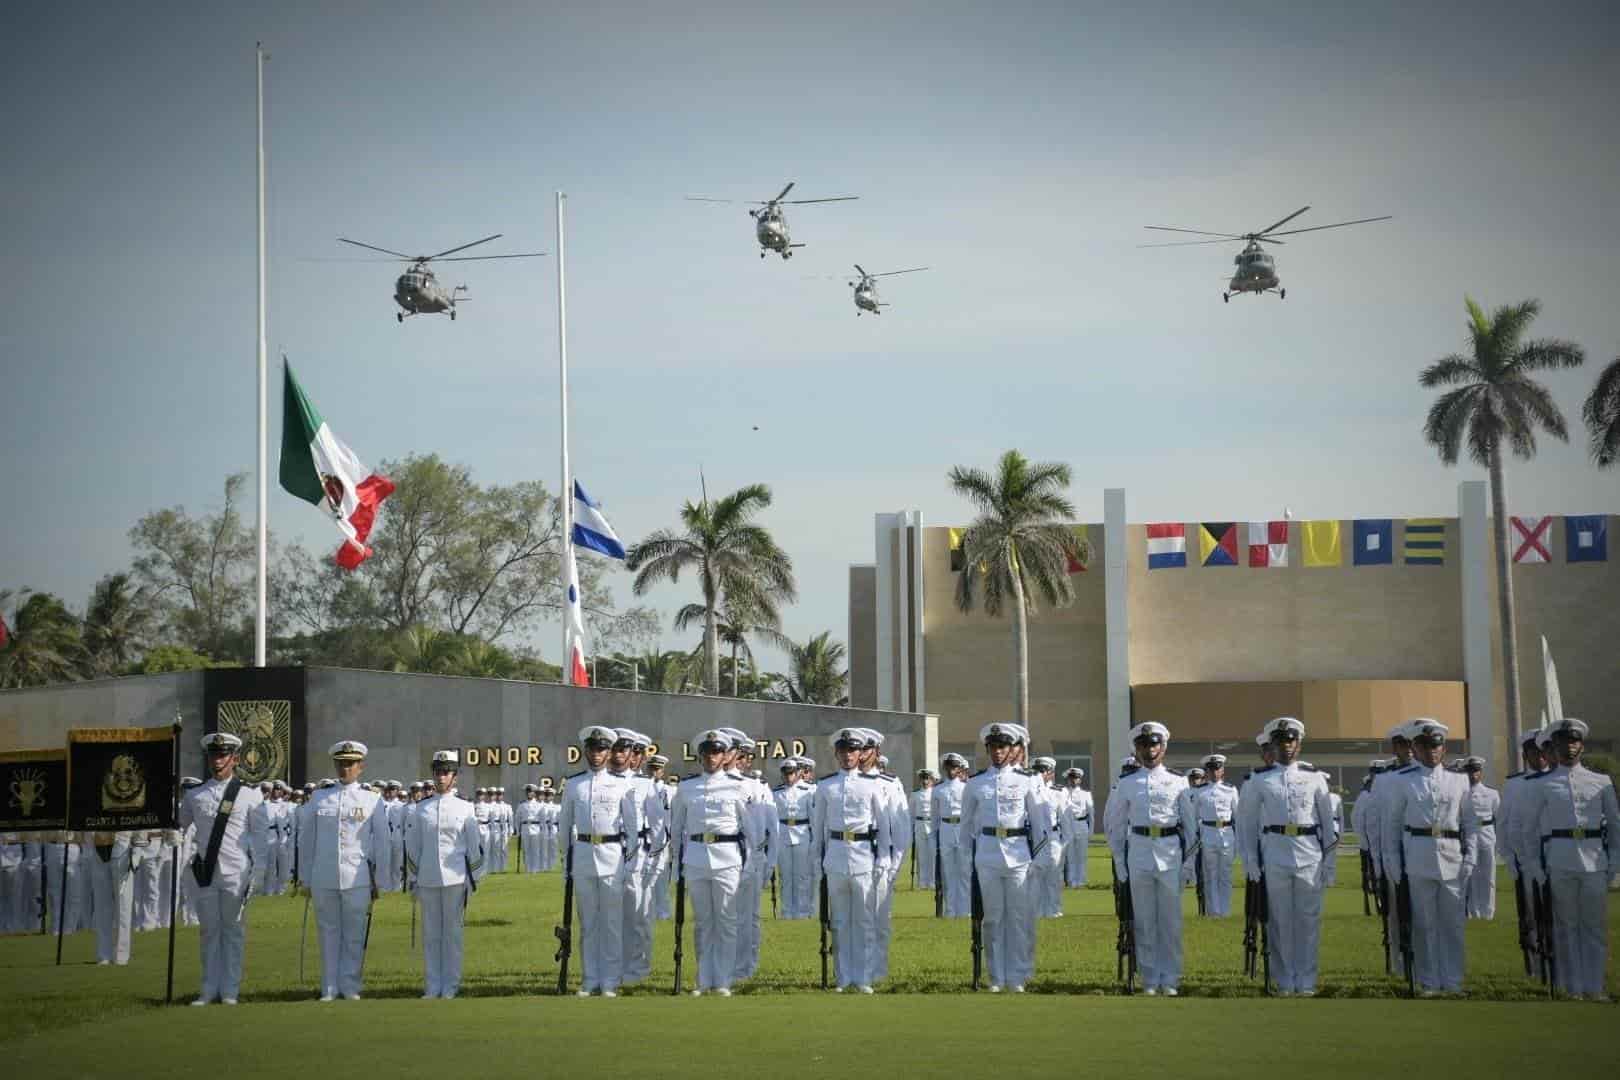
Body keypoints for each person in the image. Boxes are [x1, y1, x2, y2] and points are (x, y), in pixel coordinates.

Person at [1520, 717, 1619, 1001]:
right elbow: (1529, 829)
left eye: (1574, 741)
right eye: (1564, 742)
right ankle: (1572, 986)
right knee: (1566, 927)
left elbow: (1614, 824)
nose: (1569, 746)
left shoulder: (1601, 782)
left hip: (1594, 861)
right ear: (1554, 746)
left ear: (1582, 745)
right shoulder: (1544, 784)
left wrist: (1614, 862)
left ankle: (1595, 987)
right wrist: (1534, 866)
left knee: (1594, 927)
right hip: (1560, 860)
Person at [1237, 717, 1335, 995]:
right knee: (1279, 921)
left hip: (1309, 854)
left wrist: (1330, 862)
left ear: (1299, 743)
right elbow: (1246, 825)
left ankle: (1305, 980)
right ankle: (1284, 980)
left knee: (1308, 921)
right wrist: (1250, 861)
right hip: (1275, 852)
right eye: (1281, 742)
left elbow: (1328, 825)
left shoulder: (1315, 778)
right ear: (1273, 745)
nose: (1287, 747)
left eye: (1291, 741)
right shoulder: (1259, 780)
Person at [1380, 718, 1477, 996]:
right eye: (1424, 746)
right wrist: (1393, 862)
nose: (1431, 751)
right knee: (1424, 924)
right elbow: (1392, 825)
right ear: (1414, 747)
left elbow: (1469, 823)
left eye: (1436, 746)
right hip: (1418, 857)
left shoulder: (1459, 780)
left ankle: (1454, 981)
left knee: (1453, 925)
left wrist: (1470, 856)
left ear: (1443, 748)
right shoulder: (1402, 781)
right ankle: (1429, 981)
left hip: (1452, 857)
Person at [1107, 721, 1197, 996]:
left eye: (1154, 745)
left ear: (1164, 747)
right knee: (1144, 921)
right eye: (1143, 746)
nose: (1149, 750)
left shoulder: (1178, 781)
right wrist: (1120, 864)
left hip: (1170, 852)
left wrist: (1188, 864)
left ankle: (1169, 978)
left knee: (1170, 921)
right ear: (1136, 749)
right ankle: (1149, 978)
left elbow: (1192, 827)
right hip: (1139, 852)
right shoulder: (1127, 783)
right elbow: (1116, 826)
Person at [177, 732, 266, 1006]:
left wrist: (259, 870)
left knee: (233, 931)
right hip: (205, 872)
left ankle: (229, 990)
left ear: (235, 758)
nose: (218, 760)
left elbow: (261, 837)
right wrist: (172, 834)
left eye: (223, 755)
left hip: (235, 872)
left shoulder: (249, 795)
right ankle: (208, 988)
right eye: (214, 755)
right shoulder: (195, 794)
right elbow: (180, 826)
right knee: (208, 931)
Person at [959, 722, 1048, 993]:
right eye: (993, 747)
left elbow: (1040, 822)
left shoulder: (1028, 780)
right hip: (987, 854)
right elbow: (965, 827)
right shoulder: (975, 783)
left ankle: (1018, 975)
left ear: (1013, 749)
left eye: (1003, 747)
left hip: (1019, 853)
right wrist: (966, 861)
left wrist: (1041, 860)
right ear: (987, 749)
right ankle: (996, 976)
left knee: (1019, 918)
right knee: (993, 918)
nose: (998, 752)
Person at [296, 739, 387, 1002]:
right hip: (324, 876)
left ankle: (349, 986)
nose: (345, 769)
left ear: (361, 767)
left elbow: (382, 842)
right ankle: (329, 987)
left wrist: (380, 879)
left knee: (354, 934)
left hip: (357, 877)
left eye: (351, 764)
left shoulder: (372, 800)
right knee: (328, 933)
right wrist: (304, 877)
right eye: (341, 764)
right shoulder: (319, 797)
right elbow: (307, 839)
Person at [670, 730, 759, 996]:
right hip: (696, 857)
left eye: (717, 752)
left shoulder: (738, 786)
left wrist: (751, 863)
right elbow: (676, 830)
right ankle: (703, 978)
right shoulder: (686, 788)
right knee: (702, 922)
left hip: (727, 857)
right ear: (701, 756)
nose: (712, 757)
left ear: (725, 756)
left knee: (726, 920)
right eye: (708, 752)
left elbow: (750, 829)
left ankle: (722, 980)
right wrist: (676, 864)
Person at [558, 724, 642, 997]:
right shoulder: (573, 785)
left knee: (611, 923)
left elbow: (631, 828)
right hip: (582, 855)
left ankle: (610, 981)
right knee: (588, 923)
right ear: (586, 751)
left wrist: (628, 863)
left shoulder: (621, 785)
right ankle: (590, 978)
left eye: (603, 749)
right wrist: (566, 865)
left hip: (612, 856)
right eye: (594, 748)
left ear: (609, 753)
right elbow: (564, 828)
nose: (598, 753)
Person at [812, 728, 891, 993]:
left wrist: (883, 858)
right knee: (840, 921)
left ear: (860, 754)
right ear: (836, 753)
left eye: (853, 751)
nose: (848, 755)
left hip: (863, 855)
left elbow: (883, 825)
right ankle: (843, 976)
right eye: (843, 751)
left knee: (865, 920)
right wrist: (816, 859)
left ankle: (864, 976)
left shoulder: (872, 784)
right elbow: (818, 827)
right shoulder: (825, 786)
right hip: (835, 856)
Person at [404, 749, 484, 999]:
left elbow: (475, 847)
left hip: (456, 878)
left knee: (452, 934)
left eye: (446, 772)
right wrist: (413, 879)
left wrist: (474, 878)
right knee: (431, 934)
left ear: (455, 777)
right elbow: (413, 848)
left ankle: (450, 985)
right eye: (438, 772)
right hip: (427, 878)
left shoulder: (465, 808)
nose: (441, 777)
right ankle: (432, 985)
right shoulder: (421, 809)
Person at [860, 734, 907, 982]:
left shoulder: (889, 783)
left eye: (866, 748)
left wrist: (894, 863)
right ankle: (857, 971)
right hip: (855, 856)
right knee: (854, 919)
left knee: (878, 918)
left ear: (876, 752)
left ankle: (877, 970)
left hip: (881, 858)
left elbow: (900, 828)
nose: (861, 753)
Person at [1191, 754, 1238, 916]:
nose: (1214, 772)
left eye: (1217, 769)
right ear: (1206, 772)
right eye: (1210, 770)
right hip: (1208, 833)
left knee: (1225, 874)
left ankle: (1225, 911)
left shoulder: (1231, 789)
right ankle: (1213, 911)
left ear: (1222, 770)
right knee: (1210, 875)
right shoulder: (1200, 791)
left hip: (1227, 834)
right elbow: (1194, 816)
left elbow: (1237, 815)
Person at [84, 829, 136, 964]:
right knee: (101, 905)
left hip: (122, 842)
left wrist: (139, 847)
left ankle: (121, 954)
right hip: (97, 845)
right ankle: (103, 954)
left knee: (123, 904)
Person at [774, 758, 815, 920]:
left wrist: (814, 839)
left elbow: (813, 818)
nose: (788, 776)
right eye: (785, 773)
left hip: (802, 834)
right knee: (785, 876)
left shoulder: (808, 791)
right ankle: (787, 912)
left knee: (802, 876)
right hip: (783, 835)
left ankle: (802, 912)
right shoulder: (776, 793)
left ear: (798, 773)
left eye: (791, 773)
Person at [933, 753, 971, 917]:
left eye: (954, 767)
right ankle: (950, 910)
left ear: (960, 769)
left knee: (964, 871)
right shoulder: (938, 789)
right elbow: (935, 816)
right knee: (948, 872)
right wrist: (935, 835)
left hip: (962, 827)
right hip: (946, 828)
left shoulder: (966, 787)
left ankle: (964, 910)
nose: (951, 770)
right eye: (948, 767)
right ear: (944, 768)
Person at [1462, 757, 1500, 919]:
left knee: (1488, 874)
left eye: (1476, 771)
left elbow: (1499, 816)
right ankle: (1472, 909)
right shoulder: (1461, 794)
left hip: (1487, 834)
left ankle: (1488, 911)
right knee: (1469, 875)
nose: (1473, 775)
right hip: (1469, 834)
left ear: (1481, 772)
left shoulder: (1491, 793)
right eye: (1470, 771)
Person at [1029, 757, 1064, 917]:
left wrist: (1065, 842)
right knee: (1036, 875)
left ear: (1051, 773)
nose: (1040, 774)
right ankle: (1036, 910)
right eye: (1037, 771)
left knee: (1054, 874)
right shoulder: (1030, 790)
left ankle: (1053, 910)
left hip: (1053, 836)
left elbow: (1065, 818)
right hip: (1035, 837)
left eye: (1043, 771)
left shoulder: (1058, 791)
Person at [1060, 768, 1094, 889]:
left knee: (1082, 856)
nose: (1074, 780)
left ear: (1080, 780)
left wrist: (1091, 831)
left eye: (1076, 778)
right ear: (1068, 780)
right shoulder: (1063, 793)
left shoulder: (1086, 794)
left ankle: (1081, 880)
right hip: (1069, 825)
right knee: (1070, 856)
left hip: (1082, 824)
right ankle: (1072, 880)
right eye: (1072, 778)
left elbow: (1091, 813)